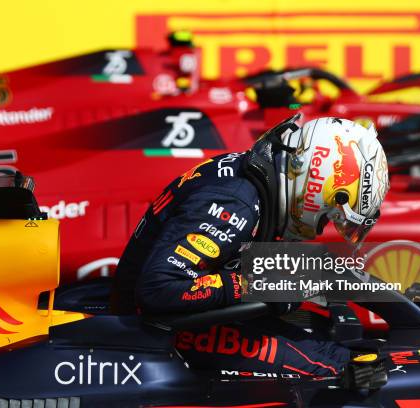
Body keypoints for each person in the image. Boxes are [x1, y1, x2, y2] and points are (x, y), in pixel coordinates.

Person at [111, 115, 390, 379]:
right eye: (330, 217)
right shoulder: (236, 203)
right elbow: (157, 288)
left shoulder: (256, 178)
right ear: (317, 189)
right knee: (332, 369)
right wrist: (257, 283)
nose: (325, 226)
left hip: (183, 318)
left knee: (326, 333)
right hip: (150, 330)